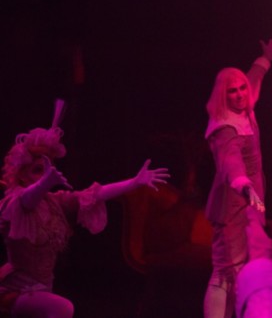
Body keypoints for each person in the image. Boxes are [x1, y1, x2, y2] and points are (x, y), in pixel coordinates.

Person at [0, 116, 169, 318]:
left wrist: (134, 182)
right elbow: (27, 199)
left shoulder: (55, 202)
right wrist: (45, 183)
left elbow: (95, 194)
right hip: (16, 289)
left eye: (46, 169)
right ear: (21, 174)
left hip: (42, 289)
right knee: (62, 308)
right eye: (37, 171)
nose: (44, 175)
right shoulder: (15, 202)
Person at [203, 39, 272, 318]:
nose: (239, 94)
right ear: (224, 96)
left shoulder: (244, 108)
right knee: (226, 271)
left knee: (243, 267)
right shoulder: (225, 127)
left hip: (249, 204)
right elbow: (230, 164)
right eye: (232, 92)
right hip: (232, 204)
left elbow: (252, 80)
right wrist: (246, 187)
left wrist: (265, 59)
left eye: (241, 90)